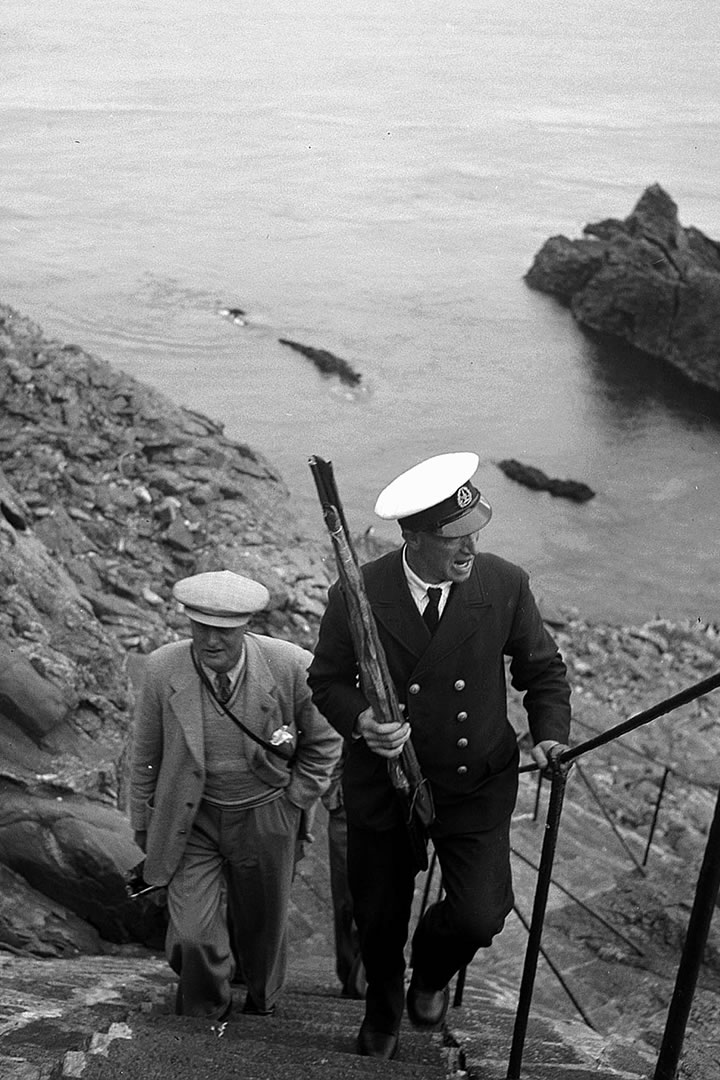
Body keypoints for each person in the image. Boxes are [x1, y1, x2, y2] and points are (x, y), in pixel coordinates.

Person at [307, 452, 572, 1060]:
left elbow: (543, 671)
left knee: (482, 915)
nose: (470, 549)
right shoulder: (359, 591)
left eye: (475, 532)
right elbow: (326, 680)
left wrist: (550, 734)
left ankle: (428, 973)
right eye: (454, 538)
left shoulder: (504, 583)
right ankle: (382, 1011)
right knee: (377, 916)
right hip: (385, 782)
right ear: (414, 537)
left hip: (473, 780)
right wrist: (363, 722)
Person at [130, 569, 343, 1021]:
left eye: (224, 631)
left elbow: (326, 741)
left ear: (247, 626)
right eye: (200, 627)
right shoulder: (163, 667)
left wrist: (295, 799)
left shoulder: (291, 666)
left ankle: (262, 1005)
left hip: (266, 815)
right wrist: (144, 824)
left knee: (262, 928)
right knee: (190, 935)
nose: (211, 641)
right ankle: (208, 1013)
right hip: (193, 820)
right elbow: (145, 755)